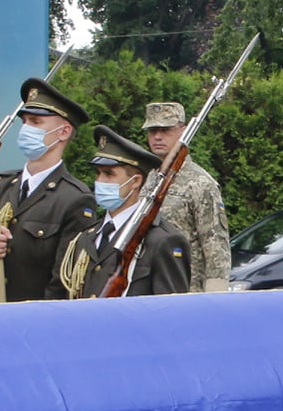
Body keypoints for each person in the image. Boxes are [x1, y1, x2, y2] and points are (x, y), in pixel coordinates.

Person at [0, 78, 98, 302]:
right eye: (25, 121)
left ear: (63, 132)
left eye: (35, 122)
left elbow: (63, 282)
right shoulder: (2, 185)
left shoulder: (75, 199)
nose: (26, 129)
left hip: (30, 325)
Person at [59, 126, 190, 298]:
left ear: (135, 181)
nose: (99, 181)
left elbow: (169, 314)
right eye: (97, 173)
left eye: (109, 174)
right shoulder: (86, 237)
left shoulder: (162, 241)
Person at [143, 101, 233, 293]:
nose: (157, 137)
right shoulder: (148, 178)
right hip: (149, 287)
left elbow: (216, 247)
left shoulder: (200, 183)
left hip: (186, 291)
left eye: (165, 130)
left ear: (183, 131)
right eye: (152, 131)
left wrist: (215, 296)